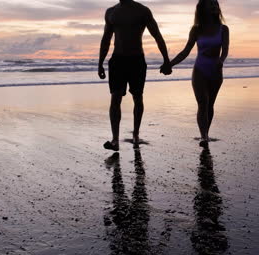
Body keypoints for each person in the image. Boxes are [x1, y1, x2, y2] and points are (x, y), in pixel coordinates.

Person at [98, 0, 172, 151]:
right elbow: (106, 39)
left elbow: (157, 35)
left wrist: (166, 60)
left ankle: (136, 135)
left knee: (137, 97)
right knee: (115, 97)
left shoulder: (143, 11)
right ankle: (115, 140)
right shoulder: (111, 12)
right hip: (117, 60)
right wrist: (100, 63)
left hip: (136, 60)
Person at [169, 0, 229, 148]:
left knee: (210, 105)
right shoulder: (196, 29)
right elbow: (185, 51)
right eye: (211, 4)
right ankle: (204, 136)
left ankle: (206, 133)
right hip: (200, 70)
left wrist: (221, 61)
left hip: (216, 71)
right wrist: (170, 64)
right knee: (203, 104)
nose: (215, 6)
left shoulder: (224, 29)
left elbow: (225, 49)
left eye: (216, 4)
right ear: (203, 9)